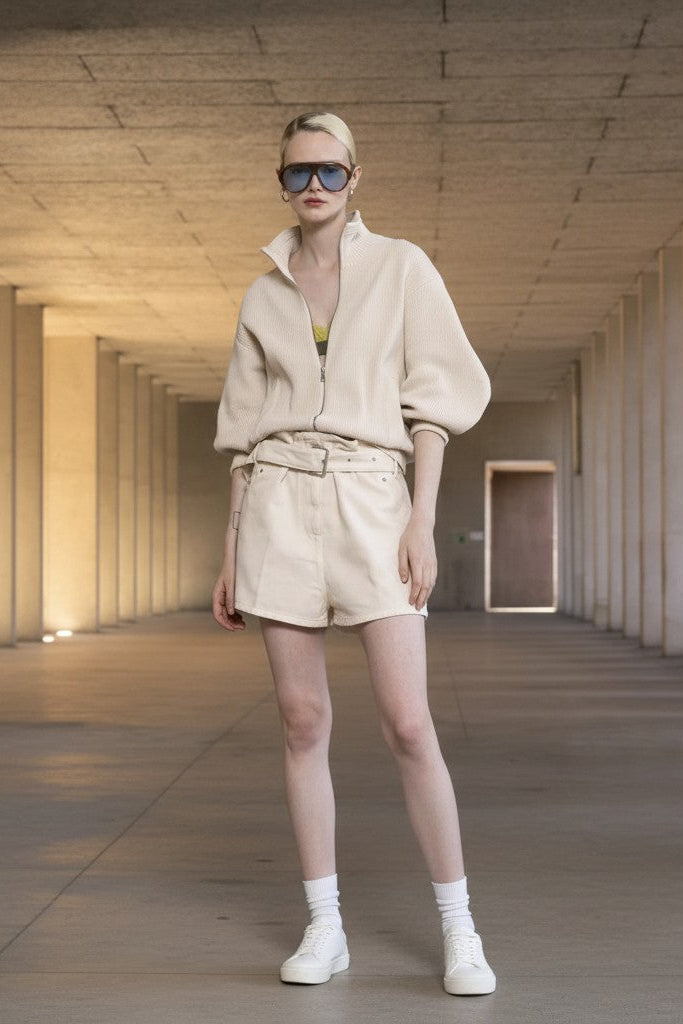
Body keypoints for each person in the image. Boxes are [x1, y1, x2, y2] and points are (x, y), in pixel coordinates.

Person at [212, 111, 495, 997]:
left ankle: (459, 931)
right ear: (282, 182)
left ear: (354, 177)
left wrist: (421, 518)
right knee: (302, 723)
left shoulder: (402, 267)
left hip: (375, 500)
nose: (314, 189)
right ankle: (324, 926)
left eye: (329, 173)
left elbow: (435, 403)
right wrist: (229, 556)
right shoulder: (263, 295)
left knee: (409, 725)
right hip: (277, 507)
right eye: (297, 174)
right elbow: (245, 441)